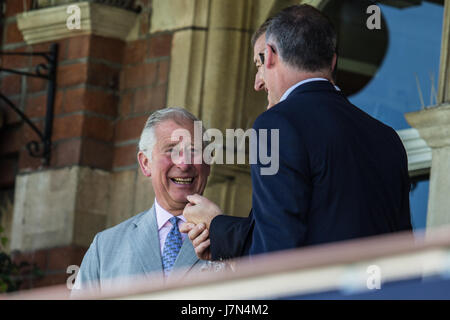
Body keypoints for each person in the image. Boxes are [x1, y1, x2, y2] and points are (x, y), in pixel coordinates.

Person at [182, 4, 412, 260]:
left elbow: (274, 254)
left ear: (269, 55)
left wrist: (215, 227)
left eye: (259, 64)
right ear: (333, 61)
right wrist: (221, 229)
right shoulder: (388, 138)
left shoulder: (276, 124)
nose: (258, 83)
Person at [72, 108, 210, 295]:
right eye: (171, 151)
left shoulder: (240, 240)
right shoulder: (104, 248)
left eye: (193, 150)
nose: (184, 164)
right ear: (145, 163)